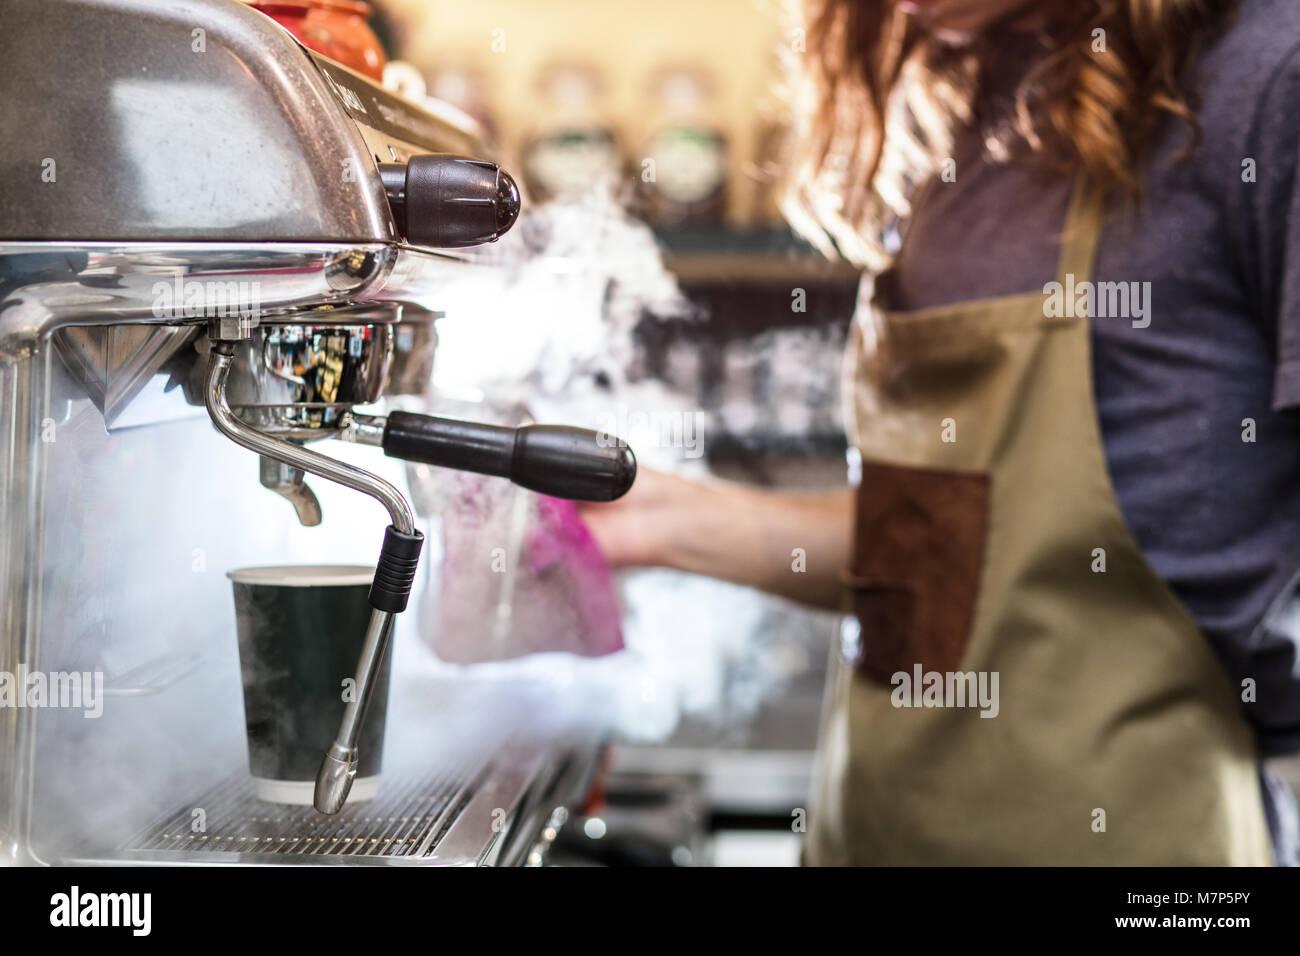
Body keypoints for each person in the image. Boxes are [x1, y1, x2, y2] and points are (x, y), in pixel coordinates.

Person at [580, 0, 1300, 865]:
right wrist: (652, 517)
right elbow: (954, 548)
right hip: (880, 826)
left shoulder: (1267, 69)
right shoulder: (981, 88)